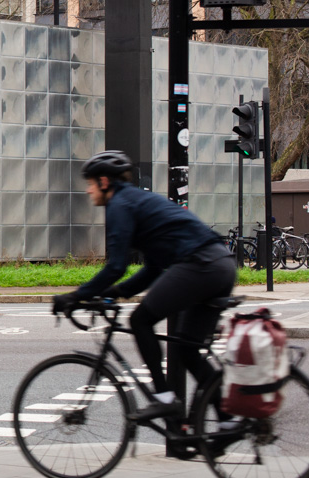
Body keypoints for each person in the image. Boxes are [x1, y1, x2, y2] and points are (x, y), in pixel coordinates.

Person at [51, 150, 237, 422]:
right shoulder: (138, 202)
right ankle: (227, 421)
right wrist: (115, 292)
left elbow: (117, 266)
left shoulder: (120, 205)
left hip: (200, 265)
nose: (89, 191)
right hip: (221, 266)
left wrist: (75, 296)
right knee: (187, 348)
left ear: (104, 182)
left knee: (140, 320)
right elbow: (153, 269)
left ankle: (165, 398)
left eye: (90, 184)